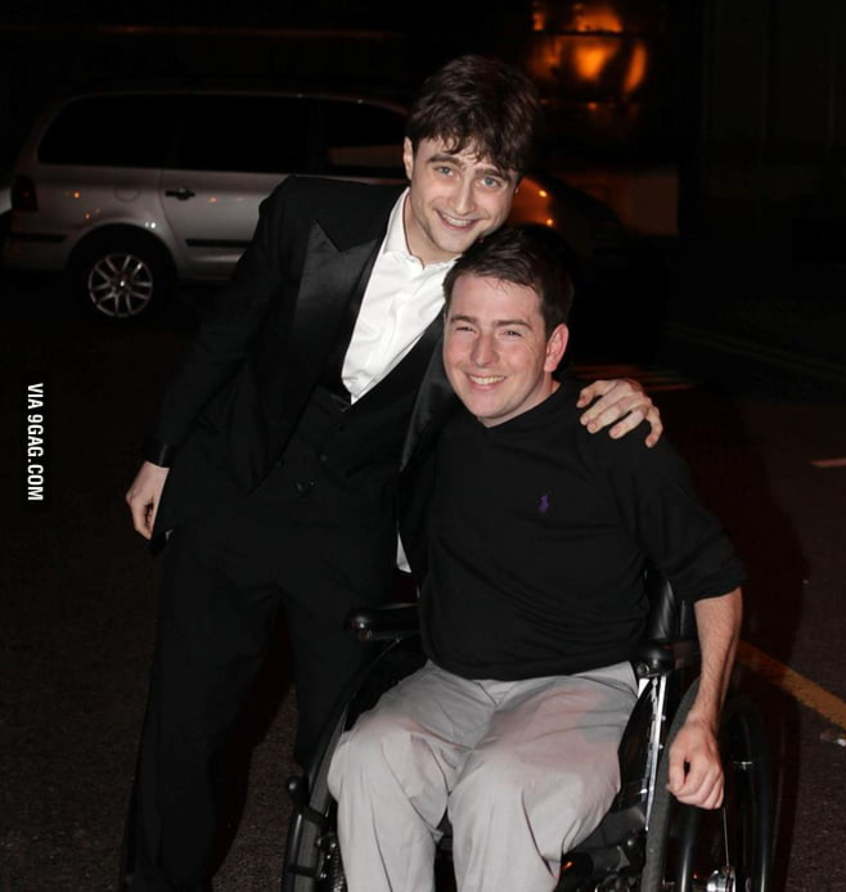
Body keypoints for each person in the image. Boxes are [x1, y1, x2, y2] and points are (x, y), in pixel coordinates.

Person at [122, 56, 662, 891]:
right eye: (447, 167)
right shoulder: (309, 212)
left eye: (490, 179)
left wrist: (618, 395)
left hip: (355, 531)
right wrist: (160, 454)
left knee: (339, 752)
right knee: (184, 732)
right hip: (236, 495)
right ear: (408, 157)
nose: (463, 200)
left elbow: (531, 371)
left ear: (513, 188)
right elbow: (226, 333)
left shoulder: (499, 280)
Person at [328, 225, 745, 892]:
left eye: (511, 332)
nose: (481, 356)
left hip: (581, 686)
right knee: (364, 761)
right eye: (465, 328)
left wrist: (703, 719)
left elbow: (716, 581)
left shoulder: (612, 437)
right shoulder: (433, 427)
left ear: (554, 346)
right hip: (451, 682)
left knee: (498, 793)